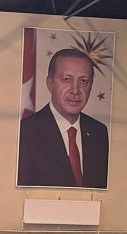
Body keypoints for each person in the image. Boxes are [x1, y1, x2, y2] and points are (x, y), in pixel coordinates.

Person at [18, 48, 108, 188]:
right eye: (67, 79)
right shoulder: (25, 132)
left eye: (83, 81)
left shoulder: (99, 132)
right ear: (50, 83)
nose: (75, 90)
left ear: (91, 86)